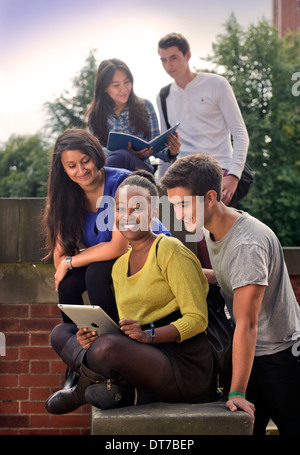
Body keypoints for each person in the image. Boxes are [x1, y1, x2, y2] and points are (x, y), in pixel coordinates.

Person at [45, 170, 217, 414]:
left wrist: (149, 336)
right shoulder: (119, 266)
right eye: (119, 209)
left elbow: (197, 320)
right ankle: (128, 390)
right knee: (61, 332)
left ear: (153, 214)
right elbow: (126, 332)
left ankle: (82, 389)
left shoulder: (169, 249)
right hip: (144, 356)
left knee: (107, 348)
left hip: (182, 364)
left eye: (136, 208)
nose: (126, 216)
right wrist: (89, 340)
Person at [160, 154, 300, 435]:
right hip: (253, 356)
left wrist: (237, 391)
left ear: (210, 197)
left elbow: (247, 324)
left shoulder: (246, 244)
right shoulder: (216, 230)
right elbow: (232, 278)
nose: (178, 214)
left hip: (281, 359)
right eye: (174, 206)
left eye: (184, 204)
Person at [42, 129, 170, 385]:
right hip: (110, 261)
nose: (80, 170)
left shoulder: (122, 184)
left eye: (85, 160)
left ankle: (119, 349)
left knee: (96, 272)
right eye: (71, 165)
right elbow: (59, 260)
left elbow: (118, 247)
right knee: (68, 282)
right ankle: (79, 361)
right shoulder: (65, 196)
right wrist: (69, 261)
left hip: (147, 254)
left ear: (96, 154)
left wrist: (73, 259)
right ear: (63, 169)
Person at [156, 33, 249, 207]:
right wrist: (160, 184)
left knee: (216, 230)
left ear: (187, 55)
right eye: (163, 60)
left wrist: (234, 176)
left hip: (219, 170)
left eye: (174, 58)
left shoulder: (217, 84)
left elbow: (240, 133)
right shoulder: (163, 96)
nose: (168, 65)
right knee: (190, 231)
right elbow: (165, 144)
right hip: (184, 174)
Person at [86, 58, 180, 174]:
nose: (124, 89)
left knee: (124, 156)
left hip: (140, 172)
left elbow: (155, 148)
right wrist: (126, 153)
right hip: (110, 171)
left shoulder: (145, 106)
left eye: (127, 82)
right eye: (116, 85)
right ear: (105, 88)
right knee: (122, 155)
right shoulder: (94, 115)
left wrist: (171, 152)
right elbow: (94, 154)